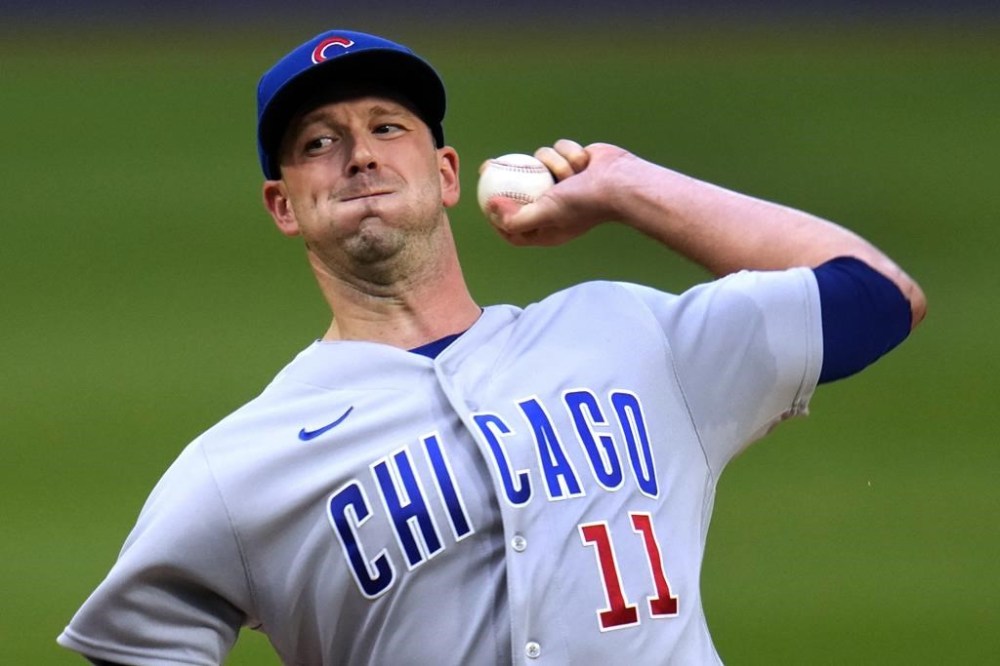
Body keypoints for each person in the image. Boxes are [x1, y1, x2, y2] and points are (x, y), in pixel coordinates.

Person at [58, 29, 926, 666]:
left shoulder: (632, 337)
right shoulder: (239, 466)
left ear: (445, 174)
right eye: (318, 144)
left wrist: (628, 186)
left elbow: (879, 297)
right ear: (284, 206)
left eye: (387, 127)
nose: (358, 155)